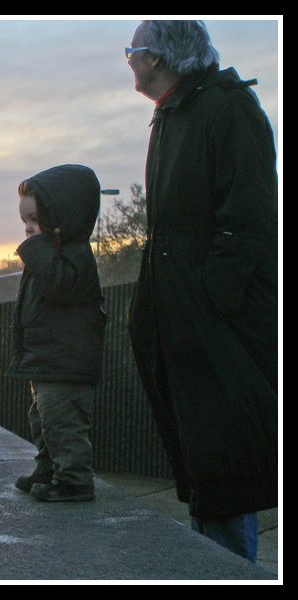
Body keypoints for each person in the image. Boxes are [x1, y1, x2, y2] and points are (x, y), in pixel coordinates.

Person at [126, 20, 278, 563]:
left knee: (225, 460)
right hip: (187, 315)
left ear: (160, 59)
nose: (128, 59)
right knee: (203, 458)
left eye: (133, 50)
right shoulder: (174, 114)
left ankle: (230, 571)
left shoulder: (226, 108)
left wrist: (211, 297)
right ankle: (210, 565)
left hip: (215, 319)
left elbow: (251, 214)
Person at [6, 165, 107, 502]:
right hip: (47, 358)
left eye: (35, 220)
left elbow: (58, 287)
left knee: (63, 422)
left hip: (65, 361)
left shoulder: (75, 255)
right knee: (43, 418)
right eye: (25, 223)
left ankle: (75, 479)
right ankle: (48, 466)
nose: (29, 230)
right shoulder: (51, 253)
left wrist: (37, 250)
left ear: (61, 216)